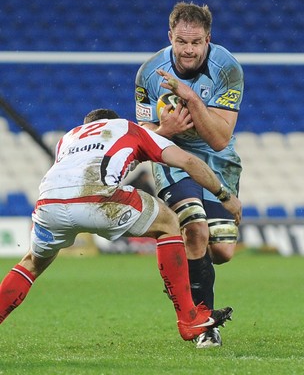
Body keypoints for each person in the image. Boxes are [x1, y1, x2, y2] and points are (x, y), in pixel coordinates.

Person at [0, 108, 241, 344]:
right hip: (96, 197)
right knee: (168, 222)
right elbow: (187, 160)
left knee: (31, 263)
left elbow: (106, 161)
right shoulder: (126, 127)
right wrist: (224, 195)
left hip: (49, 203)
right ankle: (189, 318)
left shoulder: (69, 138)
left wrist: (161, 131)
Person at [135, 1, 244, 348]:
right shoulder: (148, 74)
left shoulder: (227, 69)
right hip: (172, 155)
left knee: (222, 250)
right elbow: (142, 132)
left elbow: (219, 137)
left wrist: (190, 98)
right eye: (181, 41)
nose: (188, 50)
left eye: (196, 43)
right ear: (170, 36)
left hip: (216, 159)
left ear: (208, 39)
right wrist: (164, 129)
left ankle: (184, 269)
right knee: (195, 229)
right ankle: (203, 323)